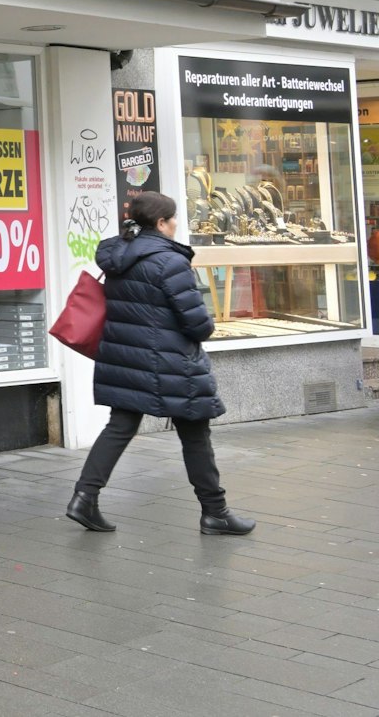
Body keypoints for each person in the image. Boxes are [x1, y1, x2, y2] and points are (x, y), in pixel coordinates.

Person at [66, 190, 255, 536]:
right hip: (171, 363)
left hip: (125, 358)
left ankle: (84, 497)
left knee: (120, 426)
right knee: (196, 434)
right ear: (161, 223)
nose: (176, 226)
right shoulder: (169, 261)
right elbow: (198, 323)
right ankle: (216, 512)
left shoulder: (117, 255)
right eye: (173, 220)